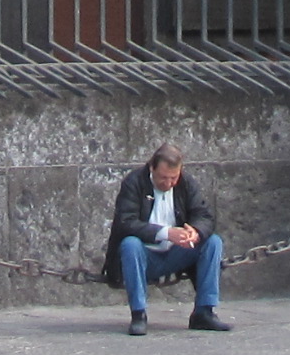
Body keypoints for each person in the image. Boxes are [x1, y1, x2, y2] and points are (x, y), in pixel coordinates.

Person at [99, 142, 232, 334]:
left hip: (176, 253)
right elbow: (126, 222)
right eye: (163, 177)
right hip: (144, 254)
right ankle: (138, 314)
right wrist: (166, 233)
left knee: (213, 242)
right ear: (152, 168)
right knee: (130, 244)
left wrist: (195, 231)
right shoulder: (134, 182)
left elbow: (204, 215)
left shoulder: (186, 183)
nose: (168, 183)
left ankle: (204, 311)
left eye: (173, 178)